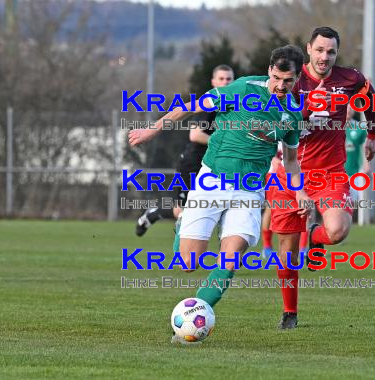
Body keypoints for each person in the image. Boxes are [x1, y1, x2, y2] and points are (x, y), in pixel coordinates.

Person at [128, 45, 311, 341]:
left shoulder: (292, 114)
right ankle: (181, 220)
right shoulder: (241, 88)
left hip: (249, 191)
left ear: (297, 79)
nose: (280, 86)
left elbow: (291, 161)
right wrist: (155, 128)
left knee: (231, 258)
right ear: (269, 71)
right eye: (277, 78)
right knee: (186, 264)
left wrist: (299, 191)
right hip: (212, 181)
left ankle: (191, 322)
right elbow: (191, 106)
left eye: (288, 81)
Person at [270, 27, 375, 329]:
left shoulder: (349, 79)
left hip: (330, 173)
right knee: (288, 250)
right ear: (309, 49)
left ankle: (316, 237)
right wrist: (304, 113)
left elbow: (369, 96)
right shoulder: (291, 80)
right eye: (319, 50)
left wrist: (373, 134)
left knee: (338, 231)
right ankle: (289, 313)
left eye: (331, 52)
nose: (324, 57)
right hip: (289, 173)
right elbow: (273, 117)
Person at [135, 65, 235, 237]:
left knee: (206, 209)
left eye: (228, 79)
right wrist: (223, 144)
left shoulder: (233, 104)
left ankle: (155, 214)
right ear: (213, 82)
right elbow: (195, 135)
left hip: (215, 166)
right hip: (193, 164)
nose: (225, 82)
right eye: (221, 79)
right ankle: (155, 215)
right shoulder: (209, 103)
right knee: (185, 212)